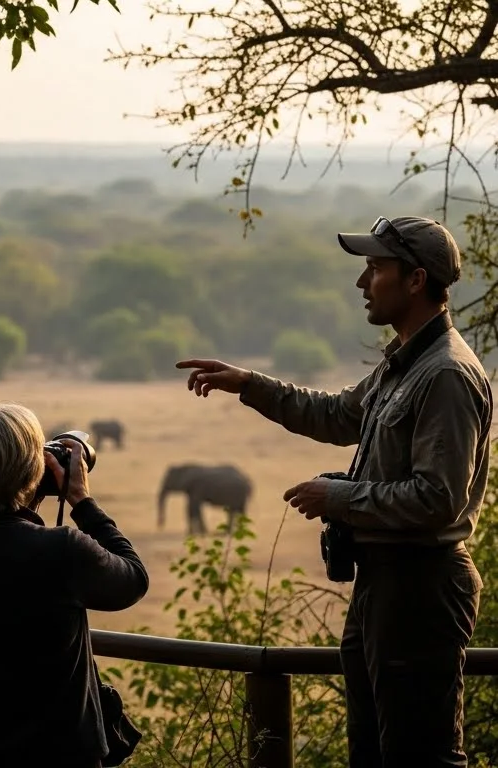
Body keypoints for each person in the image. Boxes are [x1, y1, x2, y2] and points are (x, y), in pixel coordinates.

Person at [177, 215, 493, 767]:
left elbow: (438, 499)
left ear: (416, 280)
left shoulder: (444, 374)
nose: (361, 282)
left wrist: (338, 499)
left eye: (375, 268)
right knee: (372, 753)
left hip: (420, 588)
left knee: (420, 757)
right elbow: (336, 414)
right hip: (385, 584)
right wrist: (249, 384)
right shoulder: (405, 363)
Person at [0, 403, 149, 768]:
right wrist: (82, 501)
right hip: (55, 755)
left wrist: (27, 498)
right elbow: (133, 579)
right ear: (33, 470)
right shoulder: (61, 549)